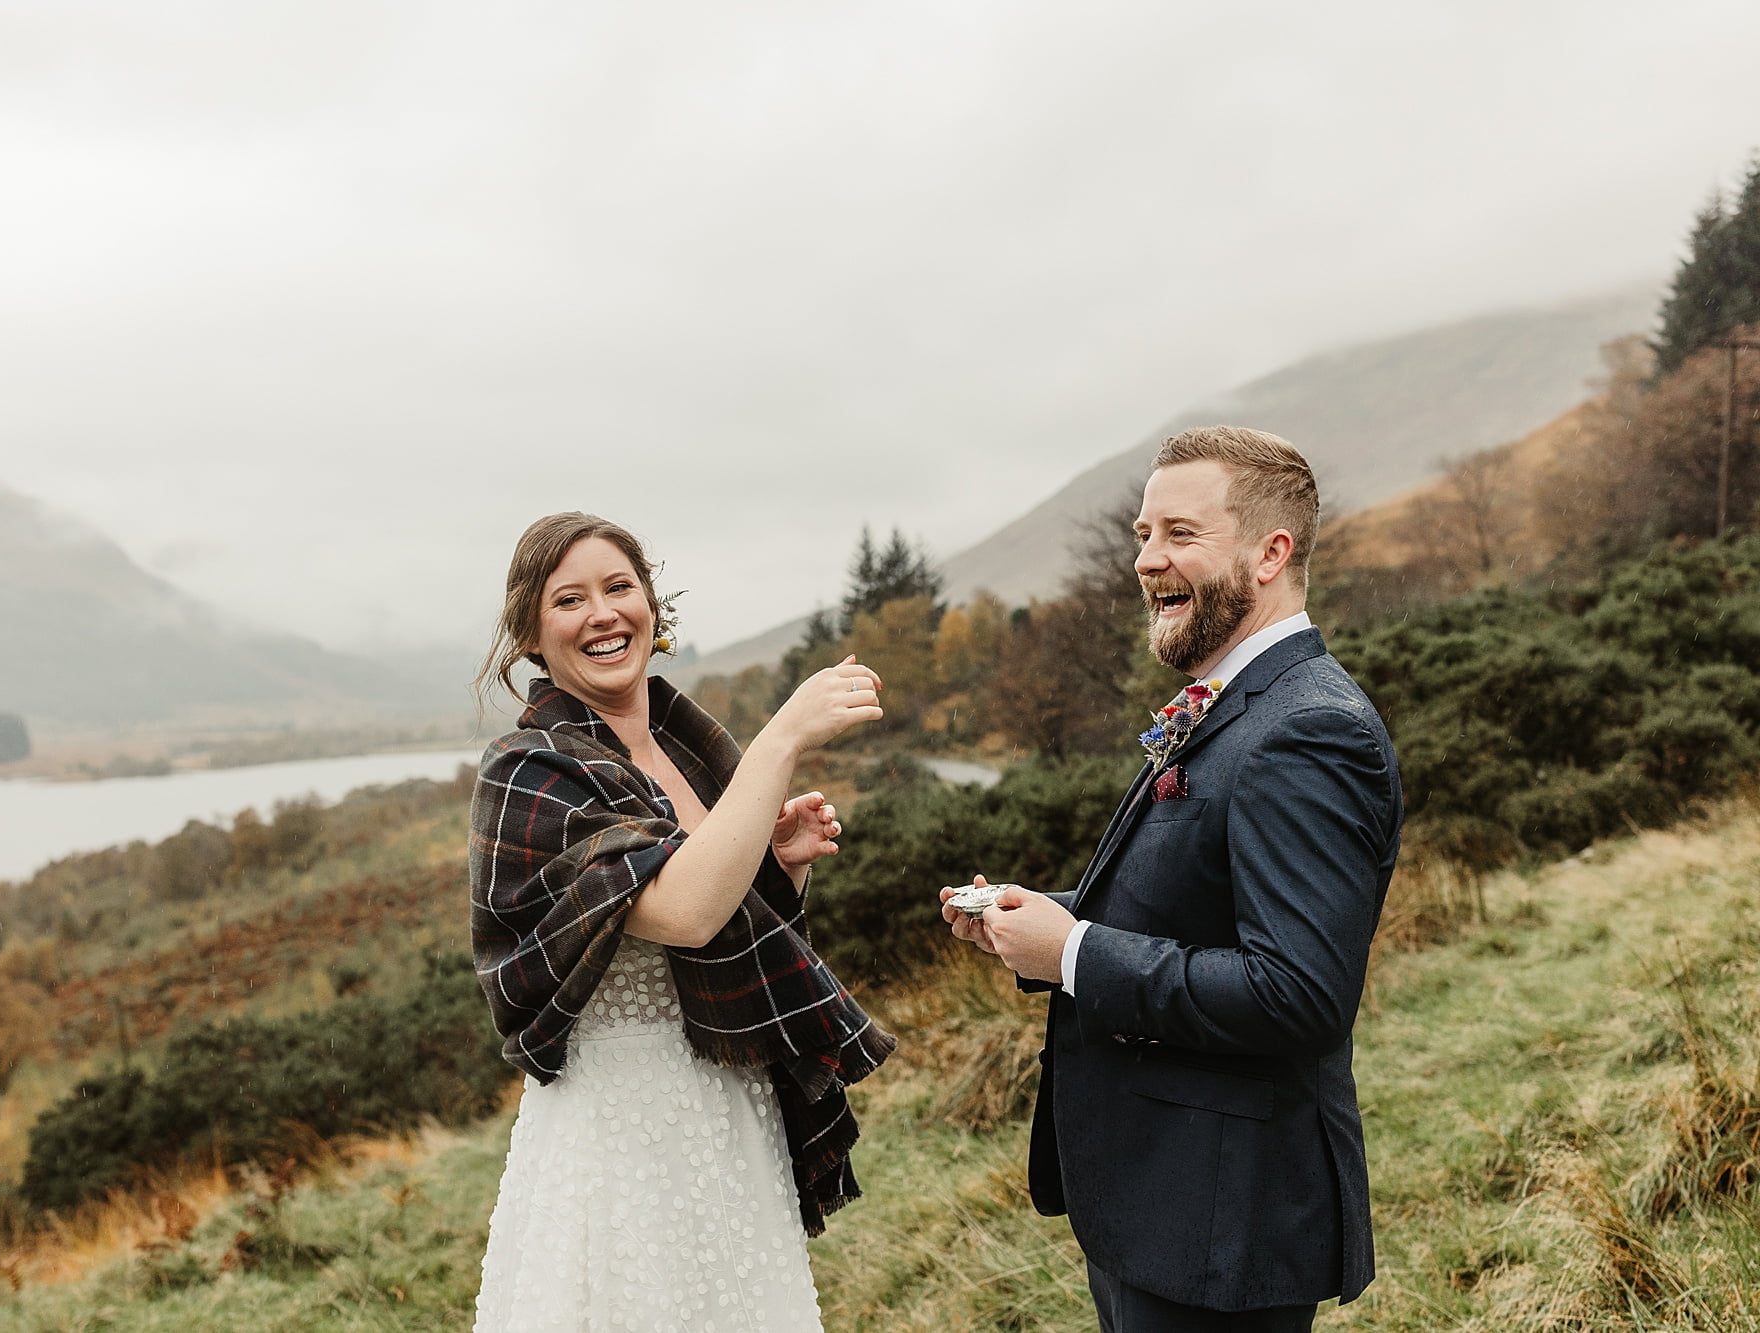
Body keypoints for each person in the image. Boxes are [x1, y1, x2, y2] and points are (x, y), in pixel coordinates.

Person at [942, 427, 1403, 1332]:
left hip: (1224, 1219)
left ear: (1272, 552)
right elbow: (1203, 909)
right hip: (1159, 1200)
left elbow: (1296, 994)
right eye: (1142, 534)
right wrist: (1037, 922)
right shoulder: (1236, 700)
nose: (1147, 559)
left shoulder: (1309, 731)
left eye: (1180, 534)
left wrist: (1074, 952)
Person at [469, 511, 895, 1333]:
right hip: (621, 1142)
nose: (603, 613)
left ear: (652, 608)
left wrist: (773, 862)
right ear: (531, 630)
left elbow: (726, 908)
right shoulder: (530, 768)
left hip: (732, 1115)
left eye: (620, 586)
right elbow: (686, 912)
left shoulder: (686, 747)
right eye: (570, 599)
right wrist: (782, 741)